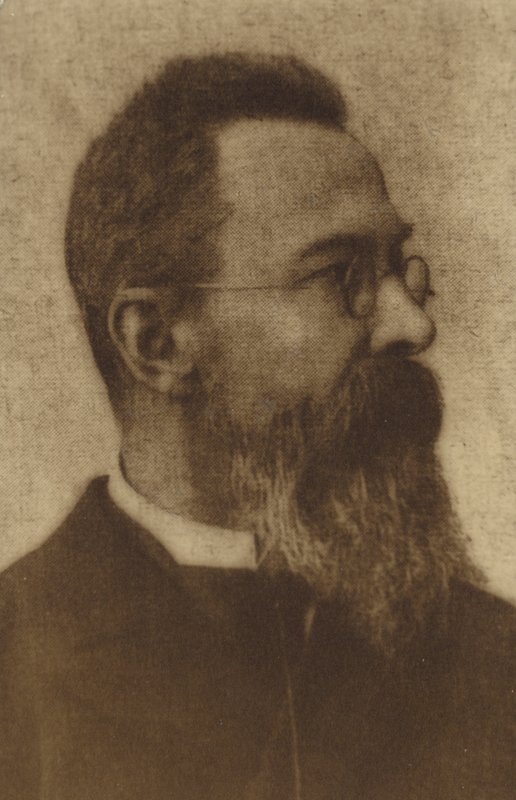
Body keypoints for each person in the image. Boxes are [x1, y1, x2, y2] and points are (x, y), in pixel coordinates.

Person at [0, 53, 514, 800]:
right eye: (340, 276)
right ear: (156, 342)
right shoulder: (15, 659)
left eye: (399, 268)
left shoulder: (496, 660)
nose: (413, 324)